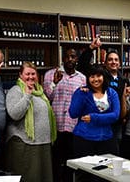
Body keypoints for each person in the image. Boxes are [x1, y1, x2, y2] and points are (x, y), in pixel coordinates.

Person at [77, 38, 130, 155]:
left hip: (115, 124)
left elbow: (123, 100)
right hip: (98, 120)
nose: (113, 62)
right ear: (105, 62)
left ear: (120, 63)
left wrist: (123, 117)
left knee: (113, 154)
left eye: (116, 60)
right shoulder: (99, 75)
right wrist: (91, 48)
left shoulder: (123, 80)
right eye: (110, 59)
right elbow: (82, 66)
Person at [5, 62, 57, 182]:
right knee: (29, 177)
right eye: (27, 74)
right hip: (25, 144)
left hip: (42, 143)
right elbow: (14, 114)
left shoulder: (39, 91)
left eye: (33, 74)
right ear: (20, 75)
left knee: (42, 177)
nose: (30, 77)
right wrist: (27, 95)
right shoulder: (16, 90)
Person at [43, 48, 86, 182]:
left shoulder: (82, 78)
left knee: (72, 162)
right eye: (67, 57)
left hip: (74, 126)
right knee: (56, 161)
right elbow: (46, 97)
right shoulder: (51, 74)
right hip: (56, 126)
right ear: (63, 59)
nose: (70, 60)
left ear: (76, 59)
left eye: (73, 57)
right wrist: (54, 83)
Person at [69, 63, 120, 158]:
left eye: (98, 76)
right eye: (92, 76)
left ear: (104, 76)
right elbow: (73, 113)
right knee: (84, 171)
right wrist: (81, 95)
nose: (95, 79)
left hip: (107, 139)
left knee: (106, 170)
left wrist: (93, 117)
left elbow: (115, 115)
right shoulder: (81, 92)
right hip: (84, 139)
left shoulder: (112, 93)